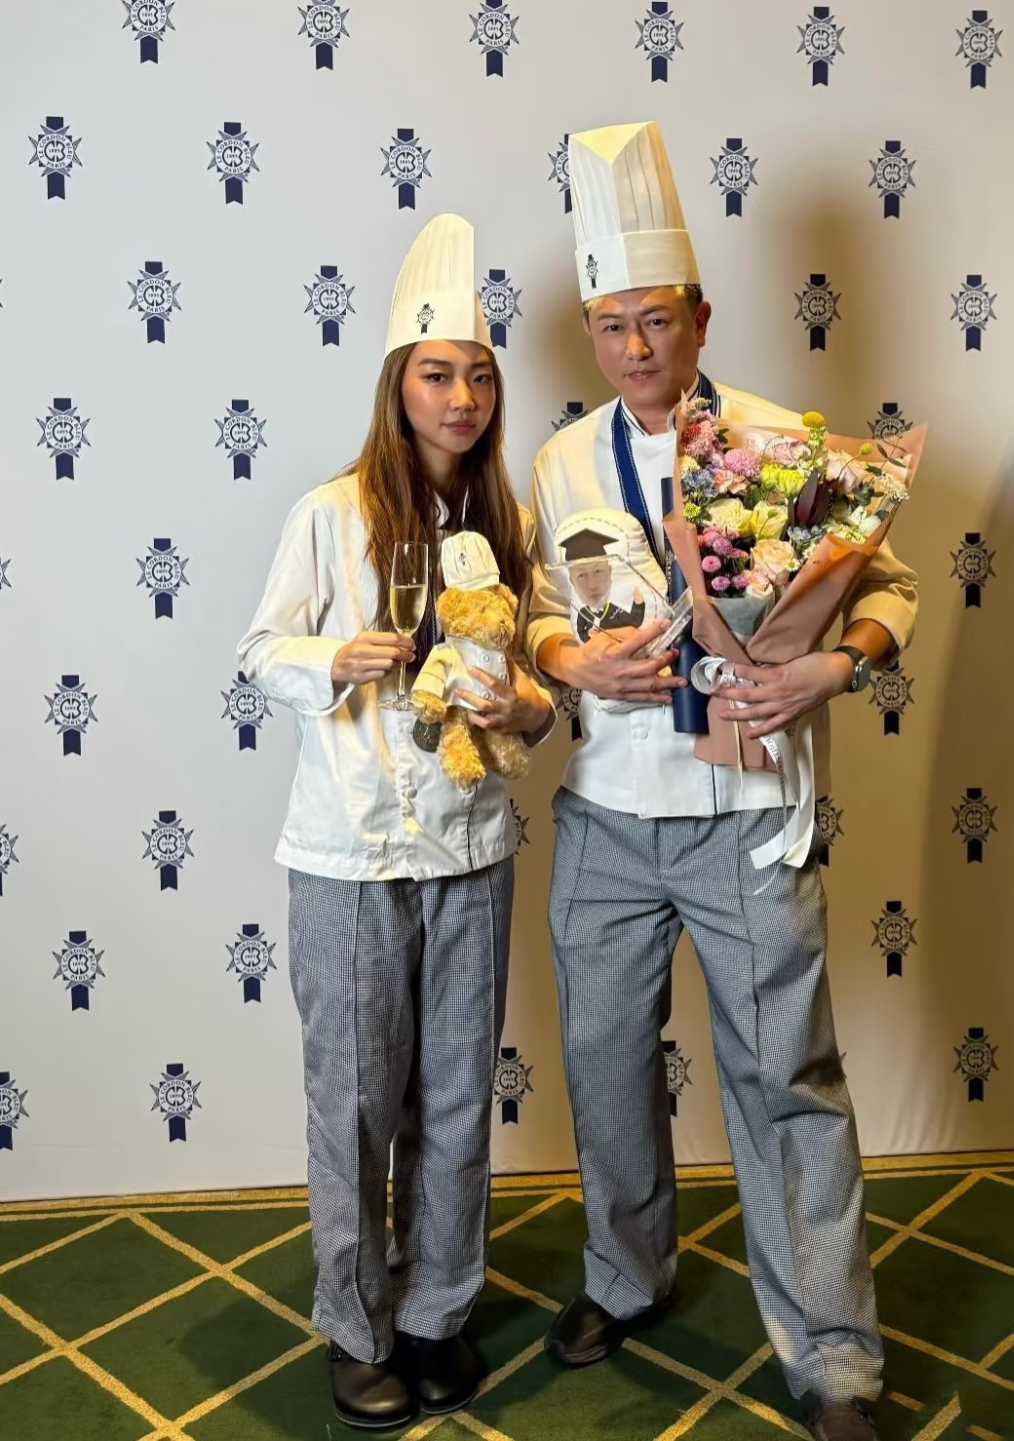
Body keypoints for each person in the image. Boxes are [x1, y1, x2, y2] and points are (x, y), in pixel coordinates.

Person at [526, 122, 918, 1441]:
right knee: (603, 1065)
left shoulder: (781, 443)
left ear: (701, 318)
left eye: (657, 319)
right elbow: (539, 611)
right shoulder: (559, 463)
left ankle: (835, 1358)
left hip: (748, 815)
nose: (636, 346)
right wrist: (570, 656)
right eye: (612, 325)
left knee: (786, 1080)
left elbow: (890, 589)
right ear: (592, 334)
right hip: (605, 814)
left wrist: (833, 669)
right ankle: (625, 1276)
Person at [238, 213, 554, 1431]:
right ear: (396, 384)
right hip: (350, 851)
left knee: (459, 1096)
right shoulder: (331, 514)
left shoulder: (506, 525)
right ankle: (358, 1327)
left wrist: (526, 705)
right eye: (437, 374)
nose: (461, 398)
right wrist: (336, 654)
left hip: (472, 846)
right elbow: (259, 650)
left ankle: (435, 1312)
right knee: (356, 1101)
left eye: (478, 376)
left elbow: (541, 683)